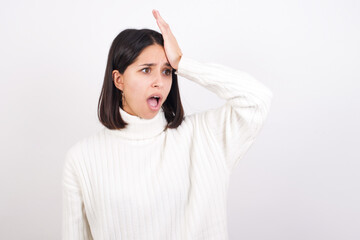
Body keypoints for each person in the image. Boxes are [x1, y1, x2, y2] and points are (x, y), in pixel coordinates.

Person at [62, 9, 273, 240]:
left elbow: (257, 99)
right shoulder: (82, 158)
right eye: (146, 70)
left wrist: (183, 64)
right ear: (119, 80)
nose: (159, 82)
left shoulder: (204, 136)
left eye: (166, 72)